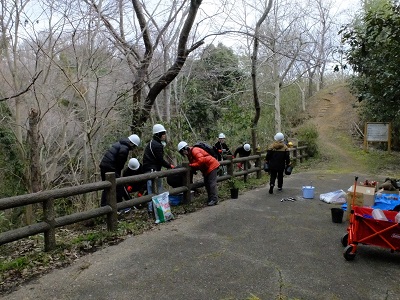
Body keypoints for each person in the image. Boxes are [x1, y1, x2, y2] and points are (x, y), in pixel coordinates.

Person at [99, 134, 141, 206]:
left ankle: (104, 206)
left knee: (107, 187)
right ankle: (118, 206)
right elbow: (120, 163)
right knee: (119, 187)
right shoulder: (125, 149)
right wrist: (118, 174)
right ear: (132, 144)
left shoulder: (120, 143)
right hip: (110, 168)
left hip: (104, 166)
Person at [142, 124, 174, 212]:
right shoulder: (157, 146)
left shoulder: (151, 143)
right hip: (153, 171)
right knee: (156, 190)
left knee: (151, 191)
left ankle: (153, 209)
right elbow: (160, 160)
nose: (164, 135)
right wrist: (169, 166)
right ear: (158, 134)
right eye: (163, 133)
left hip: (148, 170)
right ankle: (156, 210)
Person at [177, 141, 220, 206]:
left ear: (185, 148)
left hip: (212, 165)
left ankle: (214, 199)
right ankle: (210, 198)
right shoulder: (189, 154)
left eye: (182, 151)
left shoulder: (194, 150)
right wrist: (193, 168)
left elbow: (201, 160)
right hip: (206, 168)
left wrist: (192, 165)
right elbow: (195, 162)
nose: (183, 153)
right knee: (206, 183)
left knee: (211, 183)